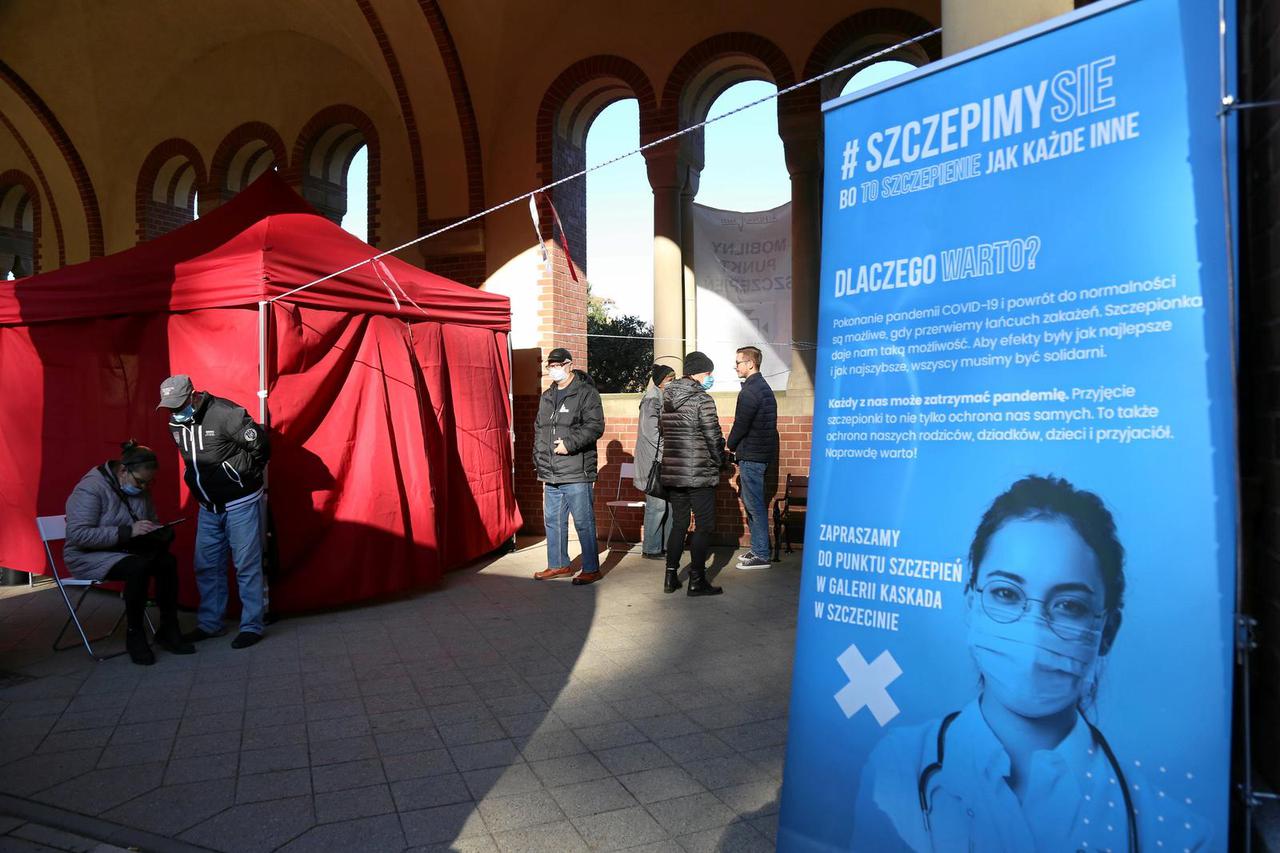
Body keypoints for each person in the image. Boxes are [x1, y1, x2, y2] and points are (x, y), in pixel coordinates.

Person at [852, 474, 1208, 852]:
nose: (1034, 632)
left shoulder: (1175, 833)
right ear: (971, 604)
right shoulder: (900, 764)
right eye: (1006, 593)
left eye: (1069, 606)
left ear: (1107, 630)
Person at [157, 374, 270, 649]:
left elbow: (261, 446)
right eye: (170, 407)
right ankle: (211, 624)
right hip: (208, 507)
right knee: (207, 566)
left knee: (246, 565)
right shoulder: (175, 423)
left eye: (179, 404)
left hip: (240, 503)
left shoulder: (226, 414)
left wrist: (244, 477)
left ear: (193, 396)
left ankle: (252, 625)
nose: (175, 411)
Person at [63, 441, 195, 665]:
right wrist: (127, 531)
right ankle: (135, 634)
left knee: (166, 562)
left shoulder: (138, 485)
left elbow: (148, 520)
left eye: (149, 483)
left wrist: (157, 531)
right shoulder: (90, 488)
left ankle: (168, 628)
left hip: (125, 550)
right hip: (87, 556)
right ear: (123, 470)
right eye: (141, 482)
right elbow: (78, 535)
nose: (144, 488)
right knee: (138, 567)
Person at [532, 348, 606, 585]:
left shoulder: (586, 393)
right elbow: (539, 430)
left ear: (569, 365)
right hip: (550, 471)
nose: (553, 369)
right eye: (550, 365)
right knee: (553, 521)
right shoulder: (547, 396)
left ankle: (591, 568)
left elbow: (595, 426)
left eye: (557, 364)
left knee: (583, 522)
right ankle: (558, 565)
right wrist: (538, 457)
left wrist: (569, 444)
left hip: (575, 470)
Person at [659, 351, 725, 597]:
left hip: (674, 471)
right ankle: (697, 580)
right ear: (700, 373)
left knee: (679, 524)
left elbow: (662, 431)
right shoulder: (702, 400)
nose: (710, 378)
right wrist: (721, 461)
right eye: (709, 373)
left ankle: (670, 576)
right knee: (704, 525)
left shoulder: (667, 397)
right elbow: (713, 436)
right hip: (699, 472)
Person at [725, 346, 777, 570]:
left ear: (750, 364)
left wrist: (730, 444)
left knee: (754, 506)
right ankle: (757, 549)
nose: (735, 366)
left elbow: (741, 424)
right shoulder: (764, 388)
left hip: (753, 457)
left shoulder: (750, 391)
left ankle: (762, 554)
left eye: (738, 362)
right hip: (761, 455)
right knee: (755, 504)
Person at [633, 364, 675, 561]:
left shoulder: (662, 397)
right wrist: (669, 448)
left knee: (668, 504)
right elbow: (650, 432)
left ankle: (666, 546)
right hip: (653, 462)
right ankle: (651, 548)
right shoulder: (652, 399)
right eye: (670, 379)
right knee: (657, 505)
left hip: (661, 460)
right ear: (660, 381)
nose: (672, 382)